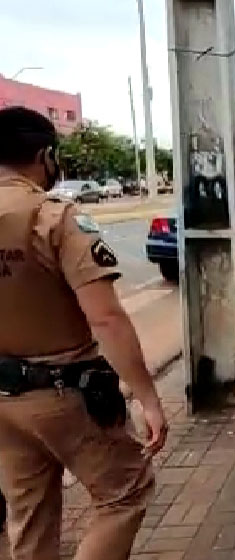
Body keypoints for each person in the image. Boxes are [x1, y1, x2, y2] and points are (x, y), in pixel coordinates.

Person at [0, 106, 168, 559]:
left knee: (29, 516)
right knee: (125, 493)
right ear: (45, 155)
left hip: (3, 401)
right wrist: (149, 398)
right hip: (65, 393)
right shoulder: (54, 216)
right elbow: (106, 319)